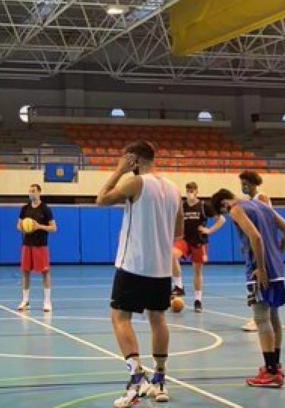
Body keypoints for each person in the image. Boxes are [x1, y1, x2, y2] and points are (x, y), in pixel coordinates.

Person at [96, 141, 182, 405]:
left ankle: (136, 379)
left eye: (125, 158)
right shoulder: (173, 188)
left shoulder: (136, 183)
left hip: (133, 264)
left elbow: (100, 199)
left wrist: (118, 170)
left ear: (133, 158)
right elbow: (178, 232)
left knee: (120, 317)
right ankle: (160, 380)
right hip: (160, 268)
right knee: (158, 319)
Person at [210, 188, 285, 388]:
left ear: (224, 204)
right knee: (273, 316)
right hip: (277, 268)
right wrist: (277, 253)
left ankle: (271, 372)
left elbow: (255, 237)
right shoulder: (262, 205)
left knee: (261, 318)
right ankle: (275, 365)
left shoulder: (236, 209)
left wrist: (262, 267)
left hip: (259, 270)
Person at [171, 182, 225, 313]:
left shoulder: (203, 206)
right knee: (171, 256)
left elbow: (221, 219)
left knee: (197, 271)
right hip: (184, 240)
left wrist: (209, 230)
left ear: (196, 191)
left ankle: (197, 300)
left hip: (199, 241)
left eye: (192, 190)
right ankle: (178, 285)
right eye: (188, 189)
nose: (190, 192)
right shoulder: (182, 206)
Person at [239, 170, 271, 332]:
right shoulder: (248, 201)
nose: (243, 186)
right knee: (253, 283)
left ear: (253, 183)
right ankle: (261, 317)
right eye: (241, 183)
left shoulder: (261, 199)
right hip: (251, 246)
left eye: (245, 183)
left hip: (261, 246)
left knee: (257, 281)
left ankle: (258, 319)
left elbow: (266, 223)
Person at [17, 183, 57, 313]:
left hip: (41, 245)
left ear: (39, 192)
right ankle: (25, 301)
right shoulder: (24, 208)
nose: (31, 193)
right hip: (27, 244)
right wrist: (24, 227)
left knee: (45, 272)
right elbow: (18, 226)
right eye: (29, 191)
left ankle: (47, 301)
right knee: (25, 272)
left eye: (33, 191)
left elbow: (54, 228)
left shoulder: (45, 209)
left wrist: (39, 226)